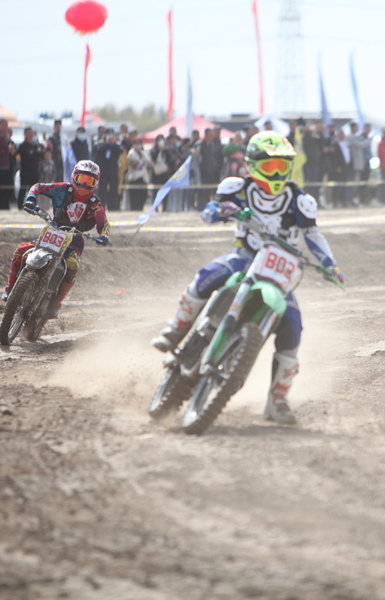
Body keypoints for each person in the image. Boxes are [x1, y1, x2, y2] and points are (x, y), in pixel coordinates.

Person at [150, 131, 346, 423]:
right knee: (208, 276)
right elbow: (208, 212)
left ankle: (277, 400)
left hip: (278, 269)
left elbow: (313, 234)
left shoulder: (300, 200)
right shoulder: (238, 188)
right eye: (270, 167)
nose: (277, 174)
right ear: (253, 165)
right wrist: (223, 209)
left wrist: (331, 265)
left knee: (293, 325)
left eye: (282, 166)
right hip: (244, 257)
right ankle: (175, 330)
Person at [4, 160, 110, 316]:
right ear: (74, 176)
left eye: (89, 182)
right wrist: (31, 198)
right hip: (53, 232)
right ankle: (10, 289)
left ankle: (56, 301)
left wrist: (104, 236)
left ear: (96, 183)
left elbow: (104, 223)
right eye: (81, 179)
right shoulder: (63, 189)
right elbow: (38, 187)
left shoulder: (95, 204)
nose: (84, 185)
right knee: (21, 250)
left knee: (72, 265)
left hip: (74, 240)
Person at [94, 130, 123, 210]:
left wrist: (113, 143)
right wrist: (106, 143)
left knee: (113, 189)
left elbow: (120, 151)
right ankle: (102, 206)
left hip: (113, 170)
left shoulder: (116, 145)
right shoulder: (100, 143)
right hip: (103, 170)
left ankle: (113, 206)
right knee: (102, 190)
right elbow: (98, 151)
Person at [16, 127, 41, 209]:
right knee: (23, 189)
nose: (30, 135)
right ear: (24, 134)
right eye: (28, 133)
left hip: (34, 172)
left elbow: (39, 155)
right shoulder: (22, 146)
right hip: (25, 171)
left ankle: (32, 205)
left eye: (31, 133)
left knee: (33, 190)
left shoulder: (35, 146)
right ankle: (20, 206)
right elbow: (18, 157)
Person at [125, 136, 151, 212]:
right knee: (134, 197)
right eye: (136, 143)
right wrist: (142, 163)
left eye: (139, 143)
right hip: (134, 178)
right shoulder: (131, 153)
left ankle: (140, 209)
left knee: (143, 196)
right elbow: (134, 165)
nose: (138, 145)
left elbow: (149, 163)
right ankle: (134, 211)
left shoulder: (143, 153)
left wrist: (141, 163)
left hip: (143, 178)